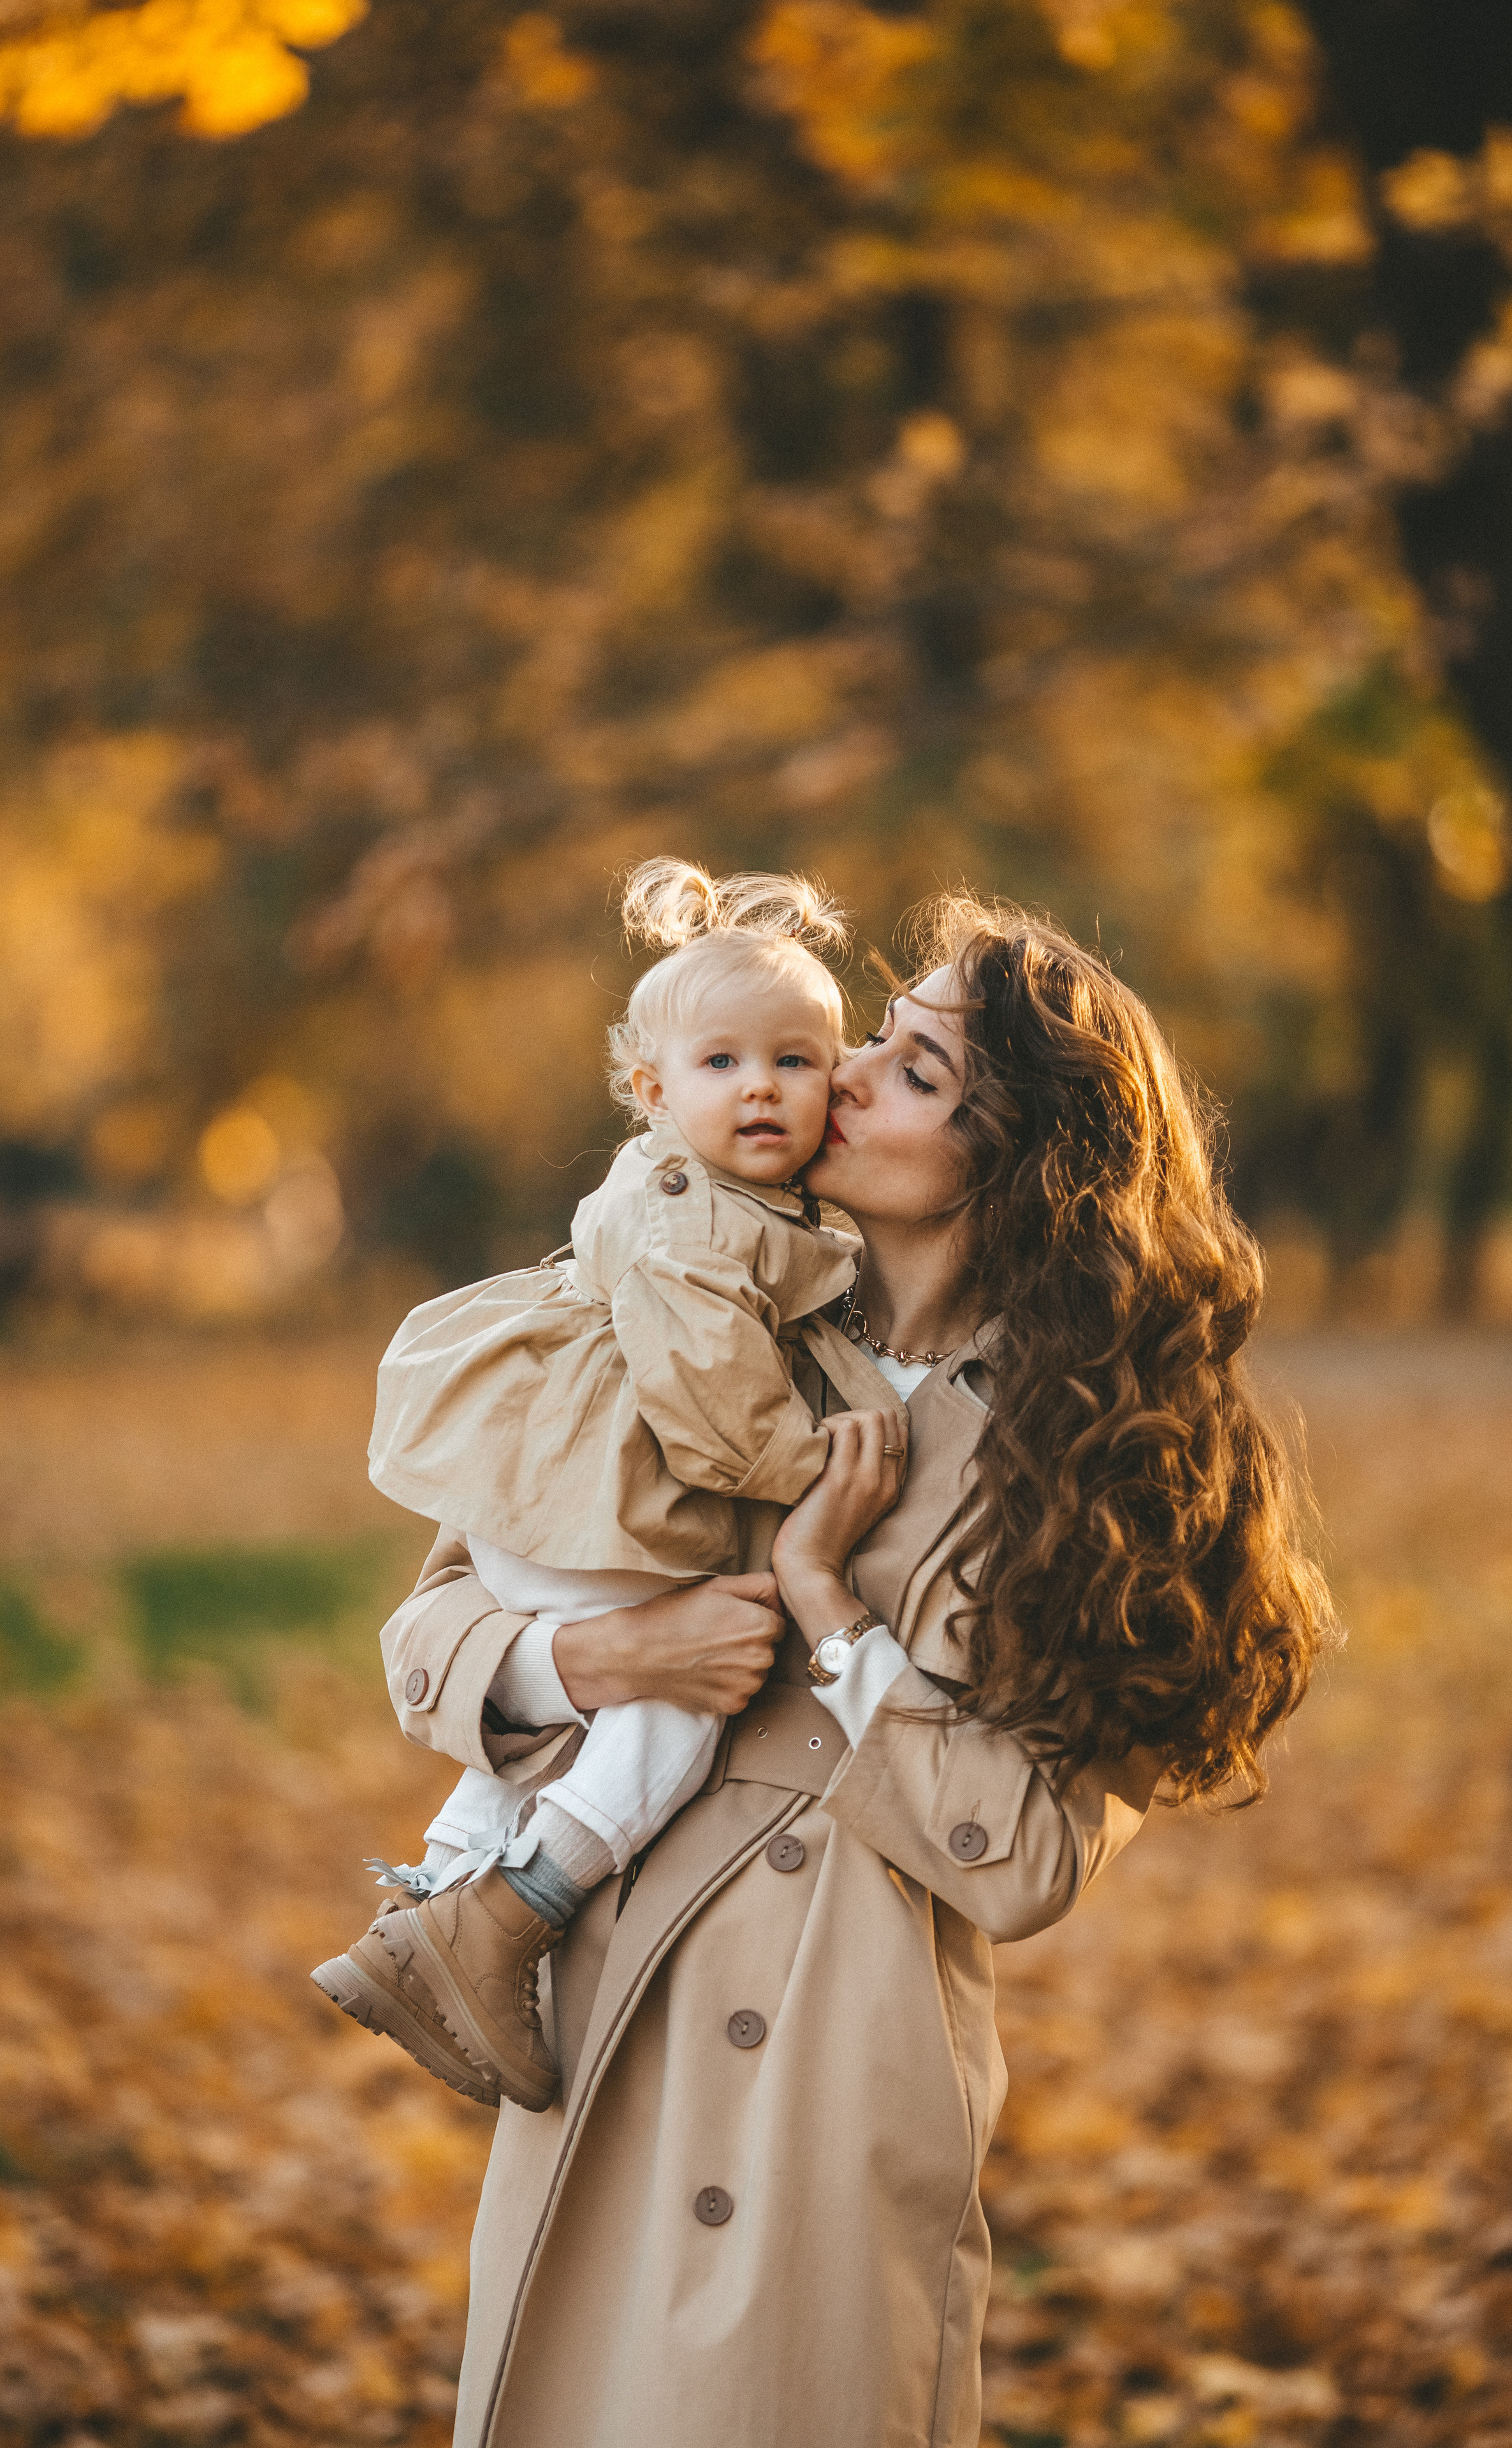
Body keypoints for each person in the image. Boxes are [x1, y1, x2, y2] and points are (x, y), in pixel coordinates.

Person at [372, 894, 1337, 2448]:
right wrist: (603, 1656)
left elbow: (1024, 1862)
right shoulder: (681, 1295)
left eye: (913, 1068)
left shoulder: (1096, 1463)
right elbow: (429, 1635)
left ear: (1017, 1157)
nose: (844, 1073)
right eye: (873, 1035)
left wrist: (826, 1608)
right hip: (607, 2009)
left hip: (827, 2067)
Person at [312, 860, 883, 2114]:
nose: (761, 1087)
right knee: (670, 1713)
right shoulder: (697, 1222)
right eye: (723, 1063)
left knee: (610, 1710)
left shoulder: (722, 1200)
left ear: (836, 1082)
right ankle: (511, 1916)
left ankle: (424, 1910)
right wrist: (824, 1478)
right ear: (653, 1092)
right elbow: (721, 1414)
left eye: (794, 1061)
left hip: (556, 1498)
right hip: (594, 1504)